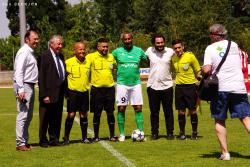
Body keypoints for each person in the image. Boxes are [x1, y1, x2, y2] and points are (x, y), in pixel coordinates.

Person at [202, 24, 250, 160]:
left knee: (219, 119)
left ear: (213, 35)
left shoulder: (210, 48)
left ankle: (225, 153)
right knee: (246, 118)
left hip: (220, 88)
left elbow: (206, 70)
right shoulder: (233, 44)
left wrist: (202, 70)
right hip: (239, 87)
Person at [112, 32, 148, 142]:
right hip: (122, 84)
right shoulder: (117, 52)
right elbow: (108, 60)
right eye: (125, 39)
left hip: (136, 84)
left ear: (132, 39)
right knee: (121, 108)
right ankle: (122, 134)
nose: (127, 41)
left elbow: (149, 59)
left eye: (129, 39)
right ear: (122, 40)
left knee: (138, 108)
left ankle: (141, 132)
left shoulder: (139, 51)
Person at [86, 38, 117, 142]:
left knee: (110, 113)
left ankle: (112, 136)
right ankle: (96, 136)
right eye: (103, 46)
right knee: (97, 114)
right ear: (98, 47)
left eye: (107, 46)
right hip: (96, 90)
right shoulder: (90, 57)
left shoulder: (111, 57)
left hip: (110, 89)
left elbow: (114, 69)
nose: (105, 48)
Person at [38, 35, 66, 147]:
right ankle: (43, 140)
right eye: (58, 44)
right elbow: (41, 77)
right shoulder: (44, 56)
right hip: (48, 94)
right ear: (51, 44)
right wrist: (44, 95)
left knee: (57, 117)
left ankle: (54, 139)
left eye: (61, 44)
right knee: (45, 118)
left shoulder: (61, 56)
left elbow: (62, 73)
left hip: (59, 93)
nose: (61, 46)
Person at [13, 30, 39, 151]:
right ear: (27, 39)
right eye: (35, 39)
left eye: (37, 39)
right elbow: (19, 71)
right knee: (23, 115)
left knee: (28, 116)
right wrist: (21, 89)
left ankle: (24, 141)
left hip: (30, 86)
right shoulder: (24, 52)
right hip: (25, 86)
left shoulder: (30, 52)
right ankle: (20, 143)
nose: (37, 41)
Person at [145, 34, 175, 140]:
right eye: (158, 43)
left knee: (168, 111)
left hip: (167, 86)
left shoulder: (170, 51)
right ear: (154, 43)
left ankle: (170, 133)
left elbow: (181, 55)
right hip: (153, 86)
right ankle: (154, 133)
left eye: (162, 42)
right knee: (154, 112)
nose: (160, 44)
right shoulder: (149, 51)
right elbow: (141, 58)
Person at [62, 42, 92, 145]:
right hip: (72, 93)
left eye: (83, 49)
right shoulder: (68, 62)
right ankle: (66, 138)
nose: (82, 51)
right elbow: (63, 78)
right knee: (71, 114)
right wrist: (65, 93)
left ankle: (84, 138)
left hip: (84, 92)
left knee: (84, 114)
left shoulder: (89, 62)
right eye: (80, 49)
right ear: (75, 51)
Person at [171, 39, 200, 140]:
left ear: (183, 47)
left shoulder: (190, 56)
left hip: (191, 87)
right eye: (175, 48)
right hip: (179, 87)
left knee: (192, 111)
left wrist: (200, 84)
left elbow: (198, 71)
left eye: (179, 47)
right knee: (181, 112)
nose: (178, 49)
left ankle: (194, 133)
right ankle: (182, 133)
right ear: (173, 49)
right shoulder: (173, 58)